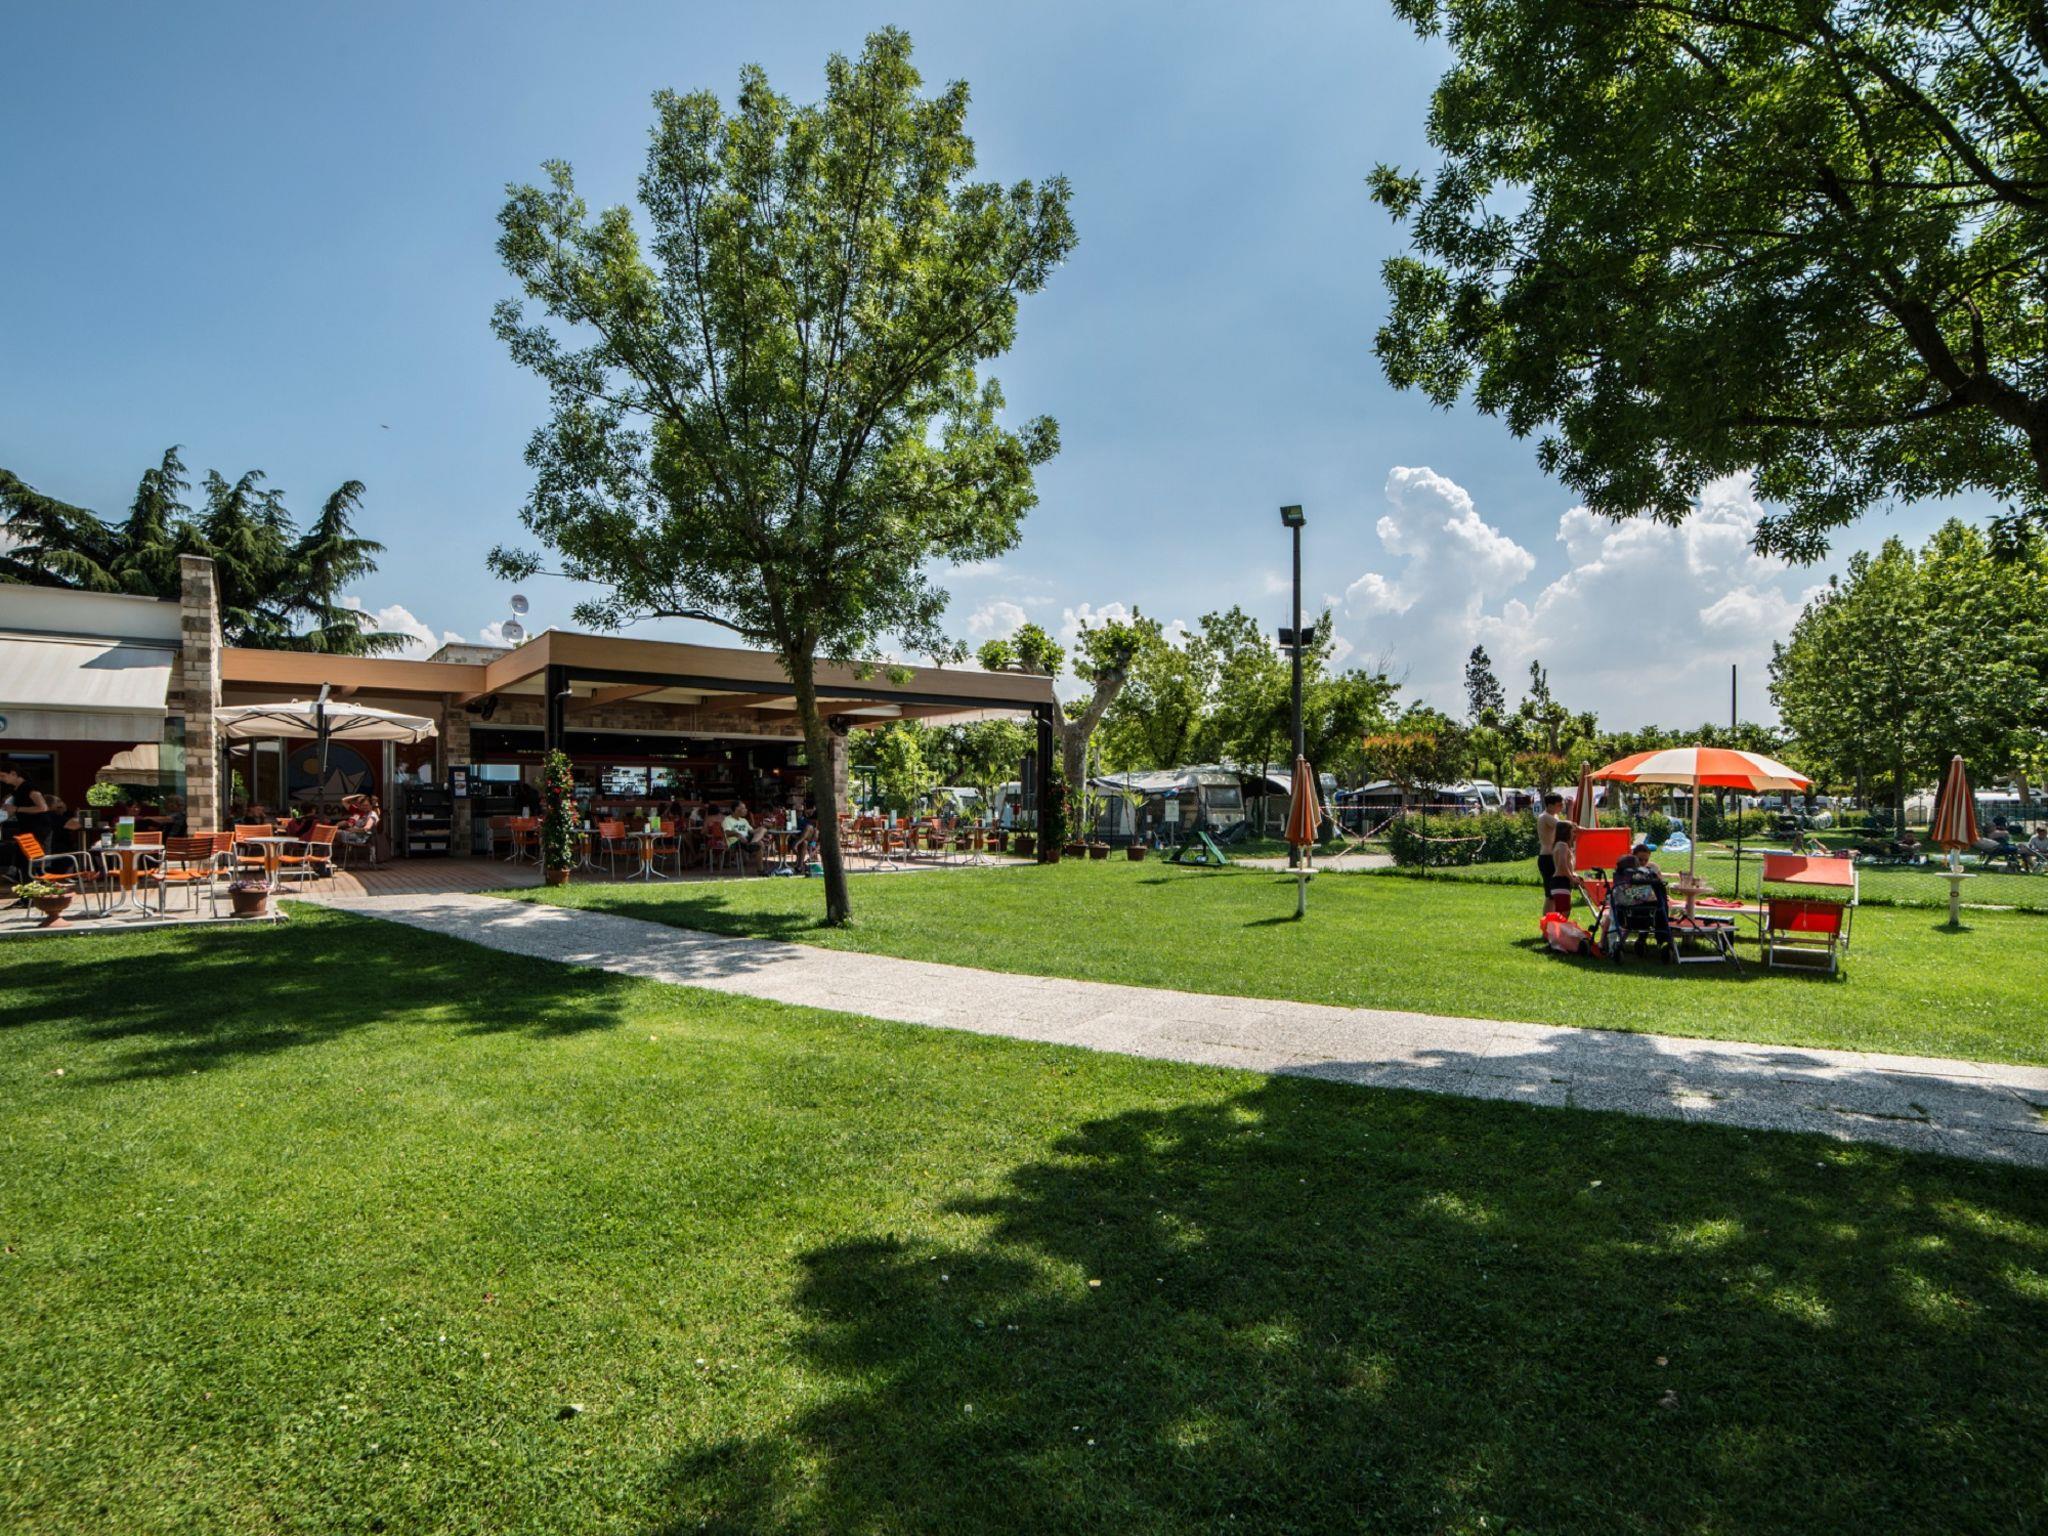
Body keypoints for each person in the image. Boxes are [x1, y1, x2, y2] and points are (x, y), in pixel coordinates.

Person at [1534, 792, 1564, 910]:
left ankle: (1552, 918)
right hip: (1547, 858)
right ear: (1550, 805)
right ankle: (1547, 920)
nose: (1561, 807)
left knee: (1555, 893)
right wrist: (1572, 808)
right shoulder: (1545, 817)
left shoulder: (1554, 816)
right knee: (1550, 895)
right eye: (1559, 805)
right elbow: (1565, 827)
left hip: (1553, 857)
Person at [1546, 823, 1577, 919]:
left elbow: (1566, 866)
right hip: (1561, 881)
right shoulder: (1562, 845)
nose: (1574, 834)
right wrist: (1572, 879)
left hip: (1562, 881)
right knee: (1563, 912)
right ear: (1566, 832)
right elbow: (1562, 866)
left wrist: (1574, 876)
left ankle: (1556, 928)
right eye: (1573, 832)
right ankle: (1555, 928)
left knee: (1563, 911)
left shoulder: (1562, 845)